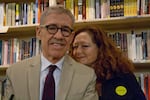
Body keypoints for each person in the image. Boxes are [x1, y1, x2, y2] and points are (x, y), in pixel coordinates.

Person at [4, 6, 98, 100]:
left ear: (71, 37)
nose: (59, 36)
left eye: (65, 30)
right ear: (39, 32)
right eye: (52, 28)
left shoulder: (87, 76)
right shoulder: (15, 73)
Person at [70, 26, 146, 100]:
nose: (78, 52)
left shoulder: (122, 75)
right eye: (75, 47)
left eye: (85, 46)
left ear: (100, 48)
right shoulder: (70, 79)